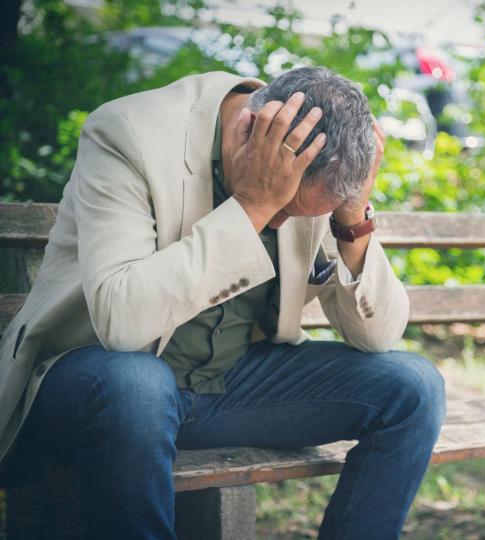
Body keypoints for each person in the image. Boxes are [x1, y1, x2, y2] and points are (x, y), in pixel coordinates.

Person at [0, 67, 447, 539]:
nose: (279, 225)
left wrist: (352, 218)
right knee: (138, 382)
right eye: (281, 211)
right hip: (95, 388)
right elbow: (121, 323)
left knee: (413, 386)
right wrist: (253, 204)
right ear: (247, 133)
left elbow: (378, 336)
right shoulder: (128, 132)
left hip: (227, 387)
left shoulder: (315, 165)